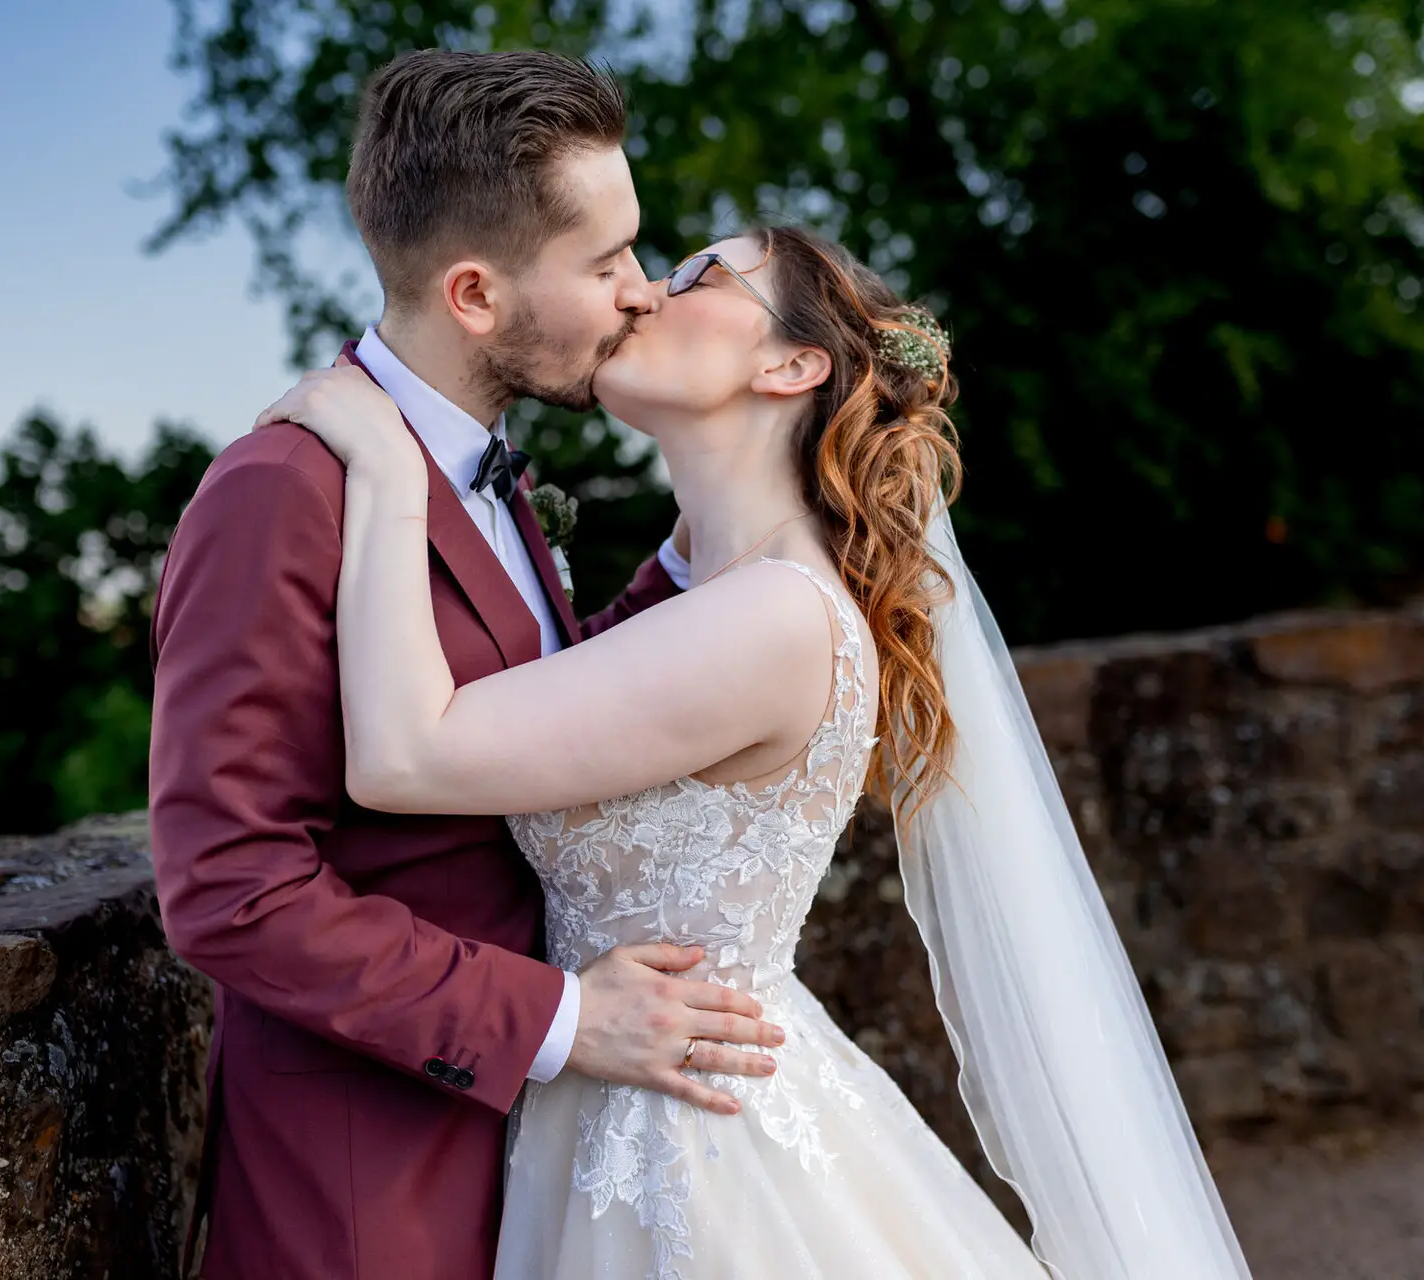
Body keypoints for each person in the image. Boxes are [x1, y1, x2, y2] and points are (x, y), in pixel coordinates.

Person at [255, 224, 1258, 1279]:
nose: (644, 294)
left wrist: (382, 461)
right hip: (627, 1116)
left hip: (692, 1158)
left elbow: (409, 755)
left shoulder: (777, 616)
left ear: (790, 364)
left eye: (701, 274)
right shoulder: (738, 591)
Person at [148, 50, 781, 1280]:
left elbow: (522, 704)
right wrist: (559, 1019)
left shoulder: (478, 468)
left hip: (522, 1160)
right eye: (604, 266)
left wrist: (704, 557)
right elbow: (231, 885)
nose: (642, 295)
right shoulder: (282, 493)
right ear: (477, 295)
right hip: (368, 1186)